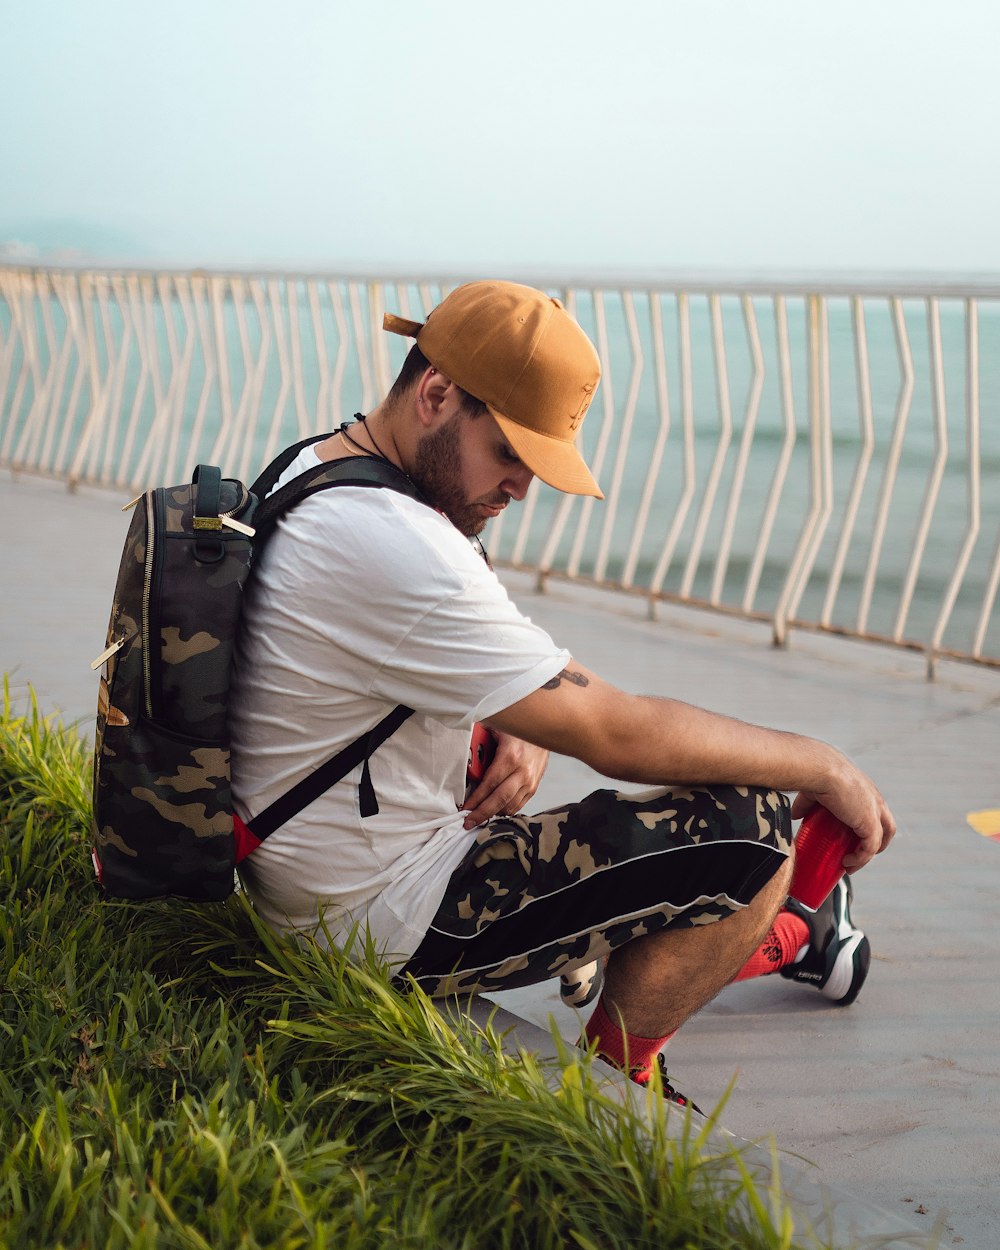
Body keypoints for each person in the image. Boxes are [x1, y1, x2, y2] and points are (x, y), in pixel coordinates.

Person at [229, 280, 895, 1106]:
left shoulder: (324, 465)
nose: (520, 489)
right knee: (750, 832)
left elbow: (441, 647)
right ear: (436, 394)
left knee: (585, 772)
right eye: (510, 453)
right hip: (367, 919)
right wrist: (824, 766)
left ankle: (771, 936)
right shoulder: (393, 541)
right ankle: (621, 1088)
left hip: (297, 861)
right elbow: (614, 729)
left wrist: (518, 717)